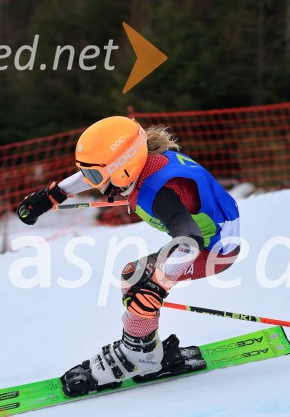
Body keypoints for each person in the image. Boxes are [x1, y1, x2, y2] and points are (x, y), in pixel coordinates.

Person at [16, 116, 240, 396]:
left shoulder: (160, 193)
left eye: (94, 177)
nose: (91, 183)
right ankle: (145, 349)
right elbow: (97, 173)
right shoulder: (139, 167)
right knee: (136, 279)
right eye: (86, 174)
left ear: (124, 168)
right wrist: (53, 196)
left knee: (139, 281)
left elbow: (189, 241)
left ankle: (140, 356)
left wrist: (158, 286)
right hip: (202, 239)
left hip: (213, 251)